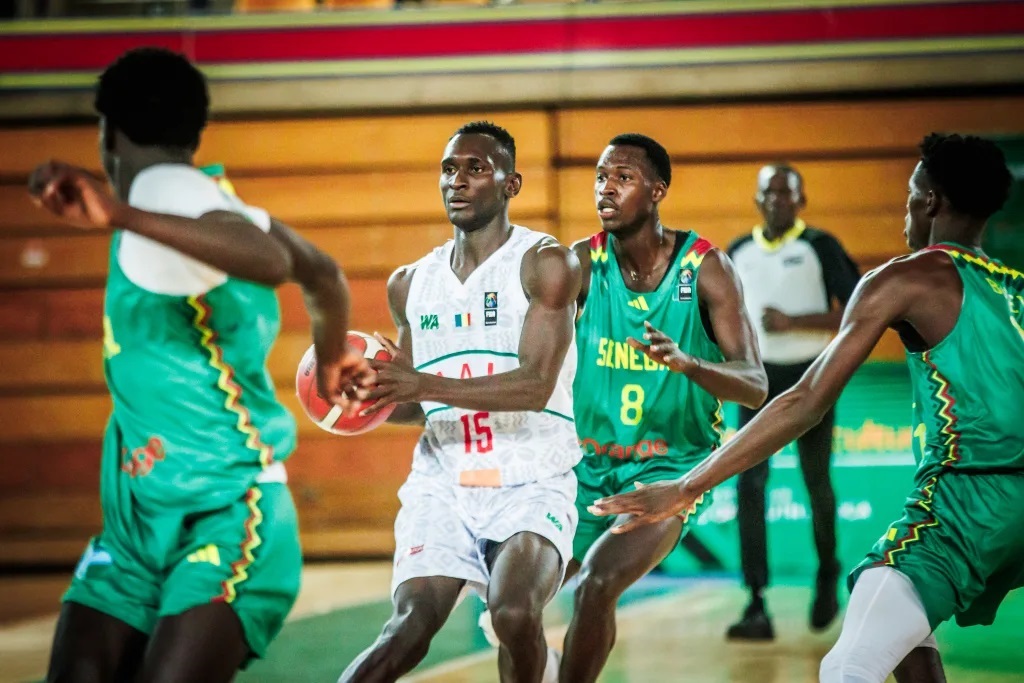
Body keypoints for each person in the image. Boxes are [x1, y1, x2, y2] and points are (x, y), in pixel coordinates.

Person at [589, 132, 1020, 683]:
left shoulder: (900, 274)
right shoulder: (1018, 290)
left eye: (912, 194)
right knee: (904, 621)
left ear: (930, 202)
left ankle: (821, 578)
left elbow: (805, 401)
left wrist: (685, 486)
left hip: (962, 495)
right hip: (1012, 502)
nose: (905, 209)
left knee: (849, 665)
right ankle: (758, 598)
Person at [30, 48, 370, 683]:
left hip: (229, 515)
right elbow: (323, 274)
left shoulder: (159, 200)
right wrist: (329, 363)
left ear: (109, 133)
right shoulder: (209, 199)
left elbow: (267, 261)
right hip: (134, 527)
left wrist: (119, 213)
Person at [337, 121, 582, 683]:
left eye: (476, 168)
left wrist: (424, 385)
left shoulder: (546, 264)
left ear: (511, 183)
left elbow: (536, 386)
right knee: (406, 630)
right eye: (449, 168)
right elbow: (411, 405)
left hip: (531, 478)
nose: (458, 180)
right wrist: (362, 399)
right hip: (444, 482)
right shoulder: (410, 283)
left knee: (515, 611)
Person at [559, 133, 767, 682]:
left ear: (657, 191)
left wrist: (689, 365)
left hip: (670, 468)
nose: (606, 188)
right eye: (601, 176)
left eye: (622, 178)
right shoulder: (580, 263)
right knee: (513, 595)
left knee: (599, 581)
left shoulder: (707, 268)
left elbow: (754, 385)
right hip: (584, 466)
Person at [725, 164, 861, 639]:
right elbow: (718, 312)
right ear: (757, 200)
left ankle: (827, 573)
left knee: (815, 480)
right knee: (749, 484)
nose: (778, 200)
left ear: (802, 201)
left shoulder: (820, 247)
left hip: (811, 377)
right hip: (757, 381)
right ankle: (755, 600)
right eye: (770, 193)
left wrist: (795, 321)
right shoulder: (738, 252)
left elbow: (856, 315)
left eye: (787, 193)